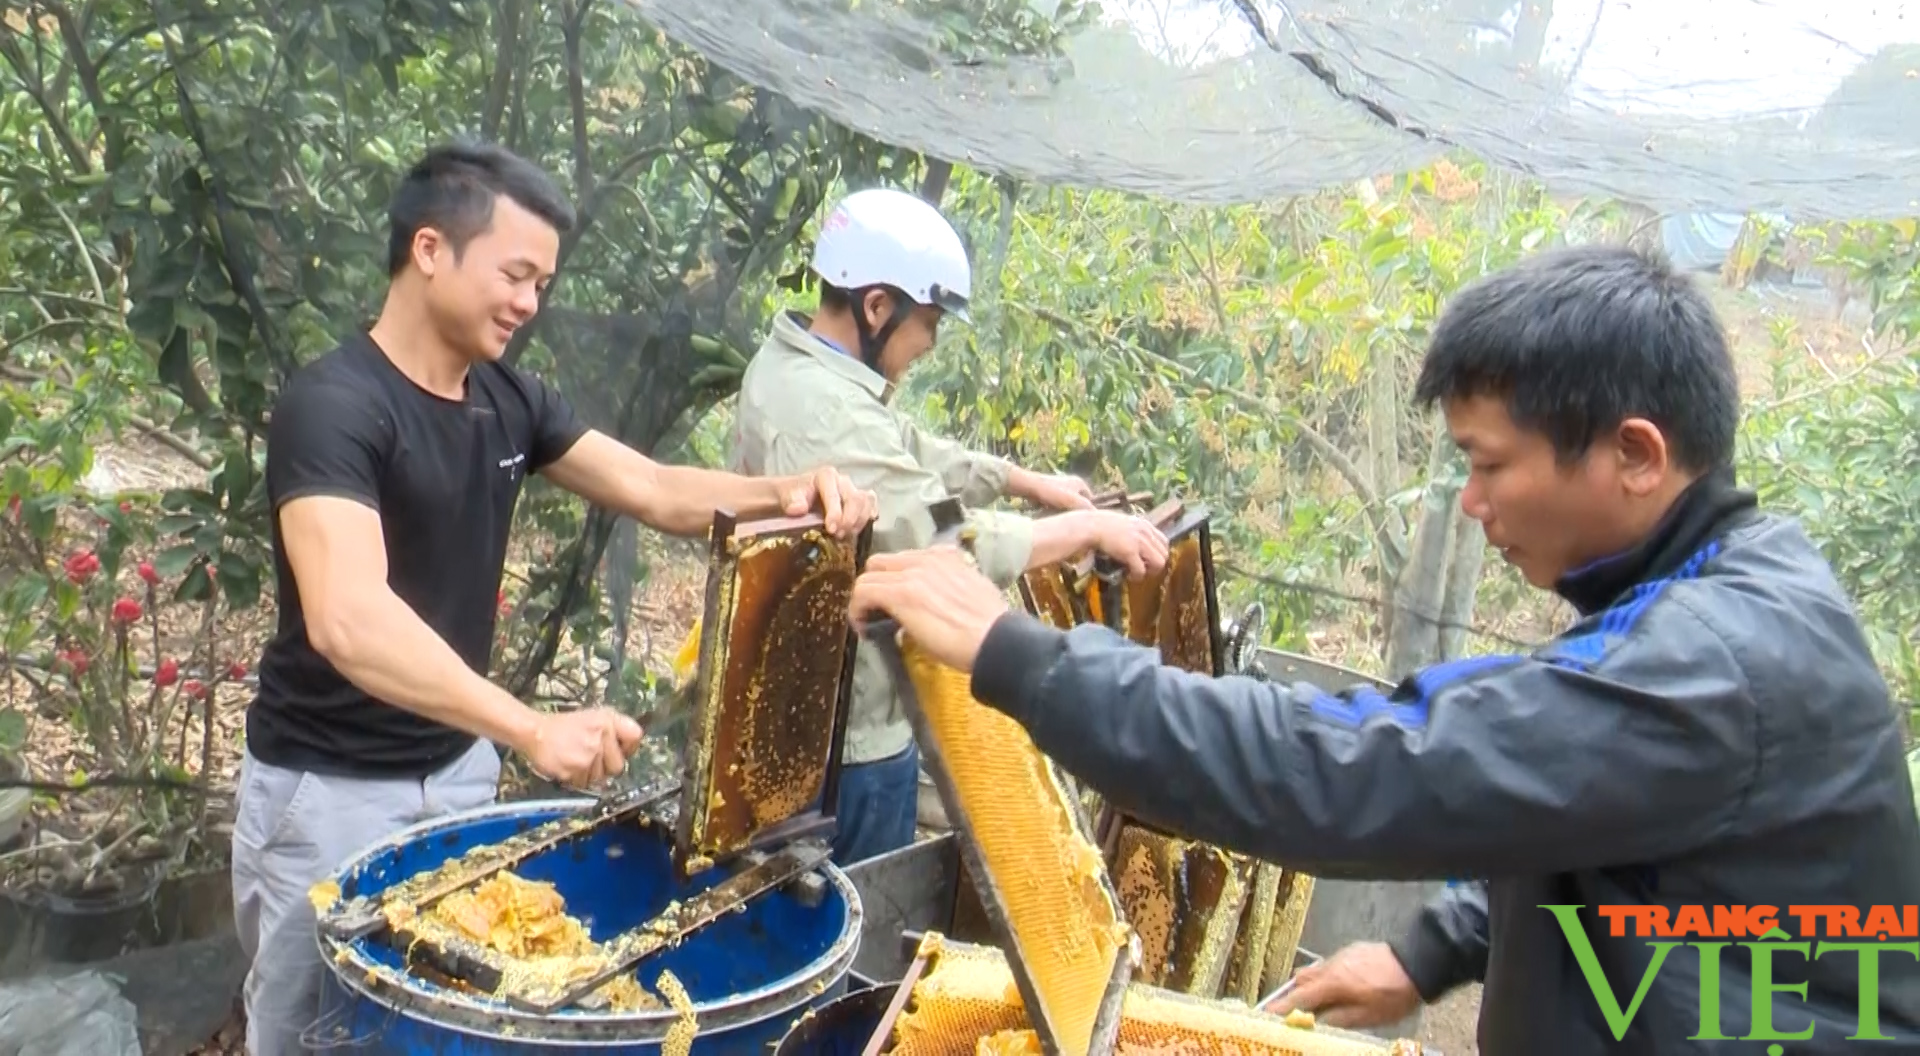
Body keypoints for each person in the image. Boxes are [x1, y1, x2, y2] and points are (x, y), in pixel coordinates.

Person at [846, 245, 1920, 1054]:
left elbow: (1362, 763)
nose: (1473, 500)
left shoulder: (1716, 666)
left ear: (1634, 453)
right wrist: (1435, 948)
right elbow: (1588, 813)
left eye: (1489, 462)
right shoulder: (1726, 581)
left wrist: (1018, 654)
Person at [236, 140, 878, 1056]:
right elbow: (348, 617)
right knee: (311, 1032)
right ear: (429, 250)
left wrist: (787, 494)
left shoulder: (508, 399)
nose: (530, 302)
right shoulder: (334, 408)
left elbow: (654, 489)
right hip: (328, 790)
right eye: (516, 274)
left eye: (542, 282)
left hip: (456, 777)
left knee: (441, 1026)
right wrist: (530, 729)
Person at [730, 186, 1172, 866]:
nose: (930, 342)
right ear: (877, 306)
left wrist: (1029, 482)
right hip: (840, 750)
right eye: (928, 322)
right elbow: (946, 544)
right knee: (852, 931)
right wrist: (1087, 532)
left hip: (825, 724)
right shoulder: (823, 414)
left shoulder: (801, 369)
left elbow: (909, 447)